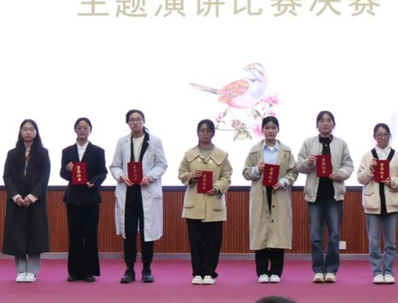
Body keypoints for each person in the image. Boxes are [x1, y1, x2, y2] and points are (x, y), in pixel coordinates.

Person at [110, 109, 168, 283]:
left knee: (146, 233)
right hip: (129, 192)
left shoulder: (154, 141)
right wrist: (121, 176)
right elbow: (114, 166)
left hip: (147, 191)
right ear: (127, 123)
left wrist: (149, 177)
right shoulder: (122, 142)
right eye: (131, 120)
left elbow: (162, 164)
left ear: (143, 121)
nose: (135, 122)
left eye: (138, 119)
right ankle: (129, 269)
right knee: (128, 233)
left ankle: (147, 269)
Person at [296, 110, 353, 283]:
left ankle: (331, 270)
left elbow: (349, 165)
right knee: (316, 236)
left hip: (334, 196)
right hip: (315, 196)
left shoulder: (341, 144)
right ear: (317, 124)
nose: (325, 123)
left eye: (329, 120)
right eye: (322, 120)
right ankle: (318, 270)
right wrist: (308, 162)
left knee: (334, 235)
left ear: (333, 124)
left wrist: (340, 174)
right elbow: (298, 166)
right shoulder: (309, 143)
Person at [177, 119, 233, 285]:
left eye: (208, 130)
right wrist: (191, 176)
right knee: (195, 242)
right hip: (194, 205)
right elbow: (181, 174)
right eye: (202, 130)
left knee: (213, 242)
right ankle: (197, 273)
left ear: (213, 133)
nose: (205, 133)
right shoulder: (189, 154)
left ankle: (209, 272)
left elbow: (227, 176)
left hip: (214, 204)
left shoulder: (222, 155)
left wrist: (217, 187)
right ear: (197, 133)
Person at [243, 116, 298, 283]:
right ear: (262, 130)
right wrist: (256, 169)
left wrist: (284, 182)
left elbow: (293, 172)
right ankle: (261, 271)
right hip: (261, 193)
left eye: (273, 127)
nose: (270, 131)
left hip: (278, 191)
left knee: (278, 233)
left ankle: (276, 271)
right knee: (261, 232)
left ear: (278, 130)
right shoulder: (255, 150)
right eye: (267, 127)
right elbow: (245, 172)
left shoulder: (286, 151)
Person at [356, 123, 398, 284]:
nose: (383, 137)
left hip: (392, 203)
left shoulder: (397, 156)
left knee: (390, 242)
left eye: (385, 134)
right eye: (379, 134)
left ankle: (389, 271)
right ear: (374, 137)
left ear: (390, 136)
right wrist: (370, 170)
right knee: (374, 241)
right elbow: (360, 178)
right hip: (373, 204)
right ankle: (377, 271)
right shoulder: (367, 156)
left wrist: (392, 181)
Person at [2, 119, 50, 283]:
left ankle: (33, 271)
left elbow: (44, 178)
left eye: (31, 129)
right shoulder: (12, 153)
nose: (28, 132)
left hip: (36, 201)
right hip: (16, 201)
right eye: (25, 129)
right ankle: (21, 270)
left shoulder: (43, 153)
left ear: (36, 132)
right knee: (18, 236)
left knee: (35, 236)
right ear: (20, 132)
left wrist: (31, 197)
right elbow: (7, 177)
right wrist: (16, 196)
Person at [59, 117, 107, 282]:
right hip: (73, 198)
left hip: (91, 198)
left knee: (90, 235)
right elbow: (62, 173)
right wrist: (68, 170)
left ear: (90, 130)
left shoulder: (98, 151)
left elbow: (103, 172)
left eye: (85, 128)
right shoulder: (67, 151)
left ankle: (89, 271)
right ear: (75, 130)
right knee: (74, 235)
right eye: (79, 128)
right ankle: (74, 272)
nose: (82, 130)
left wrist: (94, 182)